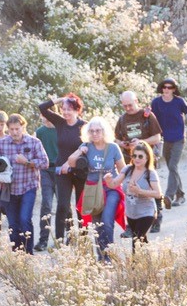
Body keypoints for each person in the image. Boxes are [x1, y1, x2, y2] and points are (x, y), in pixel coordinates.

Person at [61, 118, 125, 258]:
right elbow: (71, 163)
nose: (95, 133)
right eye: (92, 131)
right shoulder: (86, 146)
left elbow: (123, 170)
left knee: (107, 221)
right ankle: (101, 257)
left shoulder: (113, 147)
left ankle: (108, 256)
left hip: (110, 188)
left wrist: (117, 183)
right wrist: (80, 151)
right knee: (97, 225)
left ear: (104, 131)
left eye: (98, 130)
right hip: (92, 189)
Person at [0, 114, 49, 255]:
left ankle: (28, 253)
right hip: (8, 189)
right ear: (8, 129)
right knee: (13, 224)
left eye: (17, 129)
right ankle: (17, 254)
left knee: (24, 219)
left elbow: (45, 163)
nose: (15, 132)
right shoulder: (2, 144)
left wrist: (27, 162)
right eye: (12, 129)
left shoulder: (34, 142)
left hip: (28, 187)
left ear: (23, 127)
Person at [39, 94, 89, 245]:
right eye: (64, 109)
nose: (66, 112)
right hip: (62, 170)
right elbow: (42, 107)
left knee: (81, 207)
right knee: (62, 205)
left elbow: (92, 144)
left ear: (77, 110)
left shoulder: (84, 125)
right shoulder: (60, 122)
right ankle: (60, 240)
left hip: (80, 170)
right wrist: (60, 99)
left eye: (70, 109)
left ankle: (83, 238)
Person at [114, 91, 163, 235]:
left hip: (147, 160)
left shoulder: (147, 116)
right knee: (129, 191)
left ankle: (156, 219)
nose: (128, 108)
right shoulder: (122, 119)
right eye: (125, 106)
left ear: (136, 101)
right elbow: (115, 139)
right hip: (130, 160)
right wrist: (122, 143)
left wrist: (141, 142)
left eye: (130, 105)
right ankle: (130, 225)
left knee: (151, 188)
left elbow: (157, 138)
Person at [151, 79, 187, 207]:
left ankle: (168, 196)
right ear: (161, 88)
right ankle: (180, 195)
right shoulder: (156, 102)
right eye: (164, 87)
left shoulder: (179, 102)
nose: (167, 90)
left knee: (173, 166)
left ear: (174, 89)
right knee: (171, 168)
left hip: (178, 139)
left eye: (170, 87)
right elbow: (151, 121)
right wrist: (152, 144)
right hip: (165, 140)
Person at [121, 143, 163, 249]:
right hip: (131, 213)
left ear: (147, 158)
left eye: (140, 156)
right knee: (142, 240)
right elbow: (114, 183)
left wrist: (140, 191)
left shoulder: (150, 173)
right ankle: (151, 260)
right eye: (134, 156)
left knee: (136, 240)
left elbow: (158, 194)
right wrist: (108, 180)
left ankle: (134, 265)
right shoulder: (128, 170)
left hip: (147, 212)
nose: (137, 159)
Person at [33, 113, 59, 252]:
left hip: (60, 170)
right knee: (46, 205)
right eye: (43, 115)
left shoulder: (60, 130)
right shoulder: (40, 132)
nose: (46, 118)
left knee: (63, 205)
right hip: (46, 171)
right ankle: (43, 240)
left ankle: (67, 238)